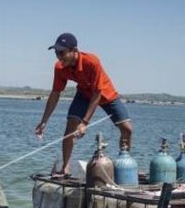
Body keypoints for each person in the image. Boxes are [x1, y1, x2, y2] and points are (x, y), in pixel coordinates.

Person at [34, 32, 134, 175]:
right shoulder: (60, 67)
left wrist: (85, 123)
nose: (59, 57)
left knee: (127, 129)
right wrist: (44, 121)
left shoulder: (92, 61)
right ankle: (65, 168)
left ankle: (123, 166)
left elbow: (97, 94)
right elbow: (55, 94)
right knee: (71, 126)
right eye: (56, 53)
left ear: (74, 50)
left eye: (62, 52)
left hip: (105, 93)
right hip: (83, 94)